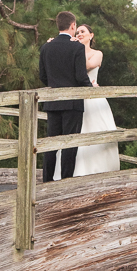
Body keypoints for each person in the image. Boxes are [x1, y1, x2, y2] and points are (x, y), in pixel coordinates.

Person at [53, 23, 120, 178]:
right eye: (77, 32)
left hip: (94, 99)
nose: (79, 34)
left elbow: (88, 66)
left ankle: (100, 170)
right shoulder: (73, 52)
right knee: (74, 133)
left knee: (97, 130)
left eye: (83, 31)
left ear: (91, 35)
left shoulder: (97, 53)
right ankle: (74, 172)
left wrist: (77, 50)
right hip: (76, 99)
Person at [38, 11, 93, 182]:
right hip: (72, 102)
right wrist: (91, 89)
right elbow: (81, 77)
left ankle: (47, 180)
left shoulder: (46, 47)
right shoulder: (77, 47)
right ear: (72, 26)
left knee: (51, 144)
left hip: (53, 101)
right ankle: (65, 181)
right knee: (70, 144)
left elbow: (43, 76)